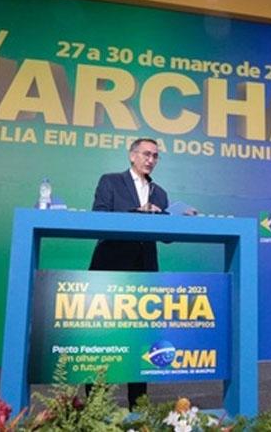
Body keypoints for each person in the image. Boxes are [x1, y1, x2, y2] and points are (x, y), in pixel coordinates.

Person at [87, 137, 169, 409]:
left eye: (155, 156)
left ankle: (138, 408)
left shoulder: (160, 193)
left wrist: (174, 218)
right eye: (146, 154)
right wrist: (137, 213)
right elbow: (99, 218)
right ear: (132, 156)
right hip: (109, 269)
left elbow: (167, 237)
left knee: (140, 341)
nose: (151, 160)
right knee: (100, 340)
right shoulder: (110, 181)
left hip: (144, 273)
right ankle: (95, 407)